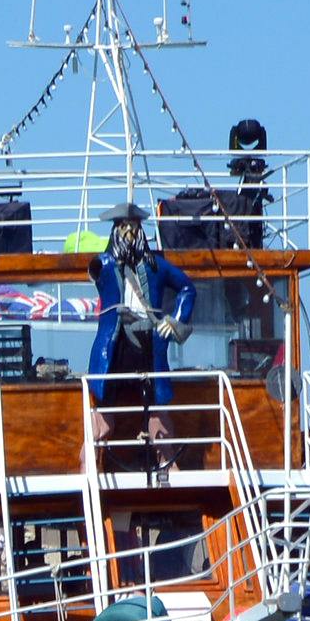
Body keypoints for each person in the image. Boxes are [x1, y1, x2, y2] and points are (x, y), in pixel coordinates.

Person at [89, 200, 196, 471]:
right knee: (105, 412)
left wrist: (175, 320)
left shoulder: (156, 266)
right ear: (115, 232)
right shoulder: (105, 264)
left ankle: (166, 462)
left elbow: (187, 288)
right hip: (116, 344)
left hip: (149, 343)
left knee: (158, 408)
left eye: (134, 228)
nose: (130, 234)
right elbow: (95, 269)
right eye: (124, 228)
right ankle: (88, 464)